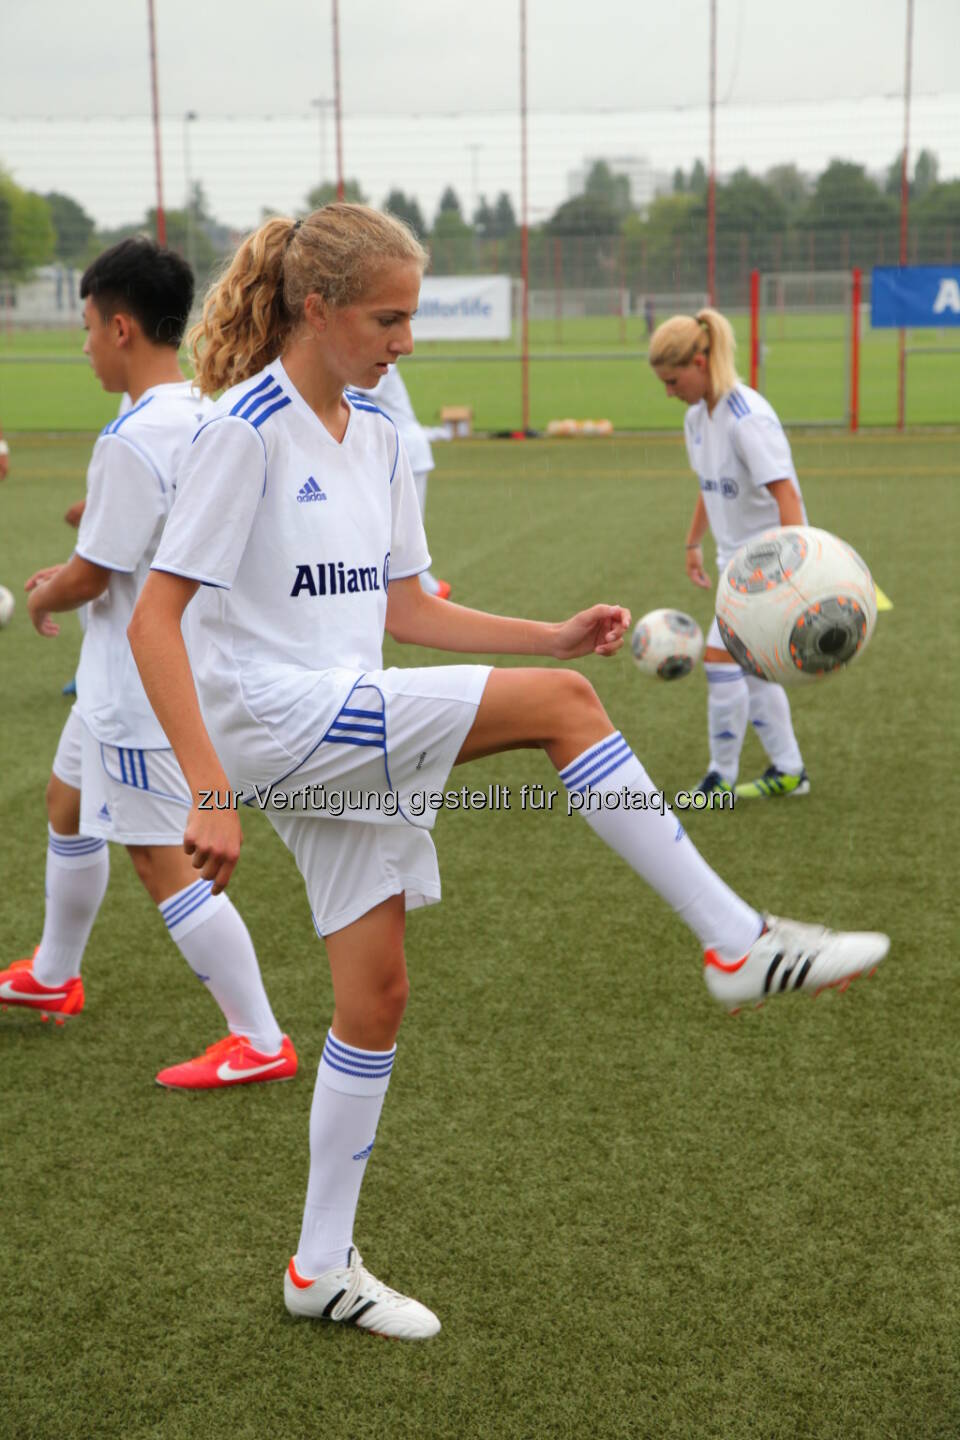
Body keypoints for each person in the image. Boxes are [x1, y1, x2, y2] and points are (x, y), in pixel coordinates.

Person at [128, 204, 889, 1342]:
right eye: (389, 317)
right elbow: (155, 618)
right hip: (269, 724)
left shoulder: (380, 432)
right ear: (317, 307)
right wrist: (203, 783)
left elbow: (405, 609)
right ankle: (738, 941)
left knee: (374, 998)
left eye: (413, 316)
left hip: (342, 717)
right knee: (567, 716)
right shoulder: (246, 431)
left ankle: (319, 1267)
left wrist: (551, 633)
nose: (407, 339)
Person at [0, 237, 296, 1093]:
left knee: (158, 857)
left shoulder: (134, 435)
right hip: (122, 680)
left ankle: (258, 1034)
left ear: (121, 327)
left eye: (87, 327)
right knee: (66, 804)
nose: (84, 344)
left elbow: (94, 572)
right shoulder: (204, 414)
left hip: (139, 684)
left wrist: (49, 594)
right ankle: (55, 973)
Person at [648, 309, 811, 801]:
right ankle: (789, 771)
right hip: (731, 567)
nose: (669, 391)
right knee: (753, 668)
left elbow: (788, 496)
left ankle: (719, 778)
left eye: (674, 380)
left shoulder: (749, 418)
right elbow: (709, 484)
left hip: (768, 566)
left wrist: (798, 571)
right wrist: (694, 542)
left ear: (701, 361)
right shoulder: (697, 418)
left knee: (721, 658)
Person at [356, 362, 451, 598]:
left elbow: (351, 390)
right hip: (392, 454)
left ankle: (428, 591)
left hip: (409, 454)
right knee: (388, 532)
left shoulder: (379, 363)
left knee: (402, 536)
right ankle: (428, 589)